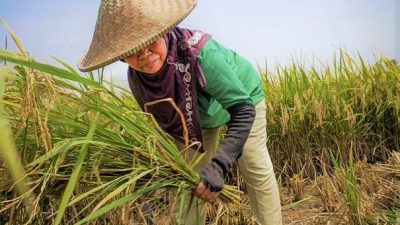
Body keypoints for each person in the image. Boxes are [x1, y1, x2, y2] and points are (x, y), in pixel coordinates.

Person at [78, 0, 282, 224]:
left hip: (243, 97)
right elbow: (163, 128)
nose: (145, 54)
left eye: (150, 41)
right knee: (192, 182)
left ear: (163, 31)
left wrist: (220, 164)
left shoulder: (201, 55)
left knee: (255, 167)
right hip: (196, 119)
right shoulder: (138, 81)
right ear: (120, 55)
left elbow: (243, 110)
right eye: (133, 50)